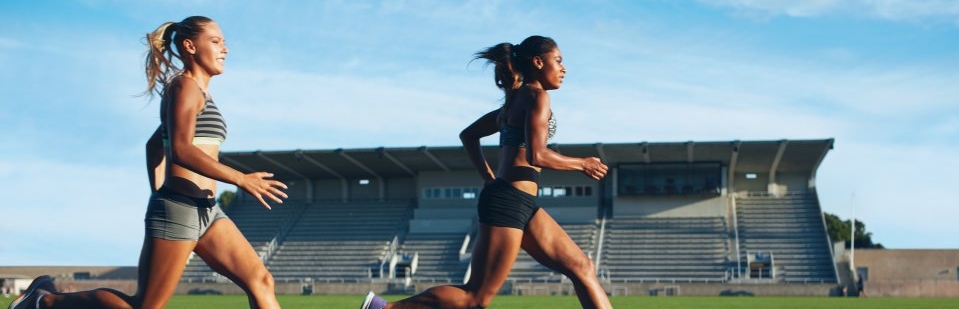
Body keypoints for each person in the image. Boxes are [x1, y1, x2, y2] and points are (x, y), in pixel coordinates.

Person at [8, 16, 288, 309]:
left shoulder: (201, 93)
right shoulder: (184, 87)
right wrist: (240, 179)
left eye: (224, 42)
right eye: (216, 42)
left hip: (207, 211)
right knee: (144, 306)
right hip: (180, 210)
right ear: (190, 46)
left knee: (260, 281)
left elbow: (155, 145)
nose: (225, 49)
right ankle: (44, 301)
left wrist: (157, 191)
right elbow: (180, 150)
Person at [361, 35, 612, 309]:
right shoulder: (536, 96)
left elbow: (469, 135)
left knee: (582, 266)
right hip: (509, 202)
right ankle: (386, 308)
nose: (564, 68)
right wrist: (581, 163)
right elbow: (536, 154)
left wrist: (489, 178)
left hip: (519, 202)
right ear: (539, 62)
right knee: (476, 297)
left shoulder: (515, 100)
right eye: (559, 61)